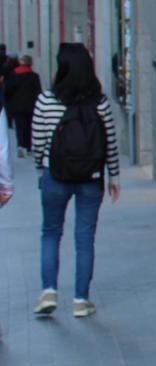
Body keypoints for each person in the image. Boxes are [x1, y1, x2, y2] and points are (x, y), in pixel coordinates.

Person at [30, 44, 120, 319]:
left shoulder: (46, 100)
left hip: (55, 175)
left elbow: (38, 141)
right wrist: (114, 176)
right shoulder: (100, 102)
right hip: (91, 178)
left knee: (51, 232)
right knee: (84, 238)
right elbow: (110, 142)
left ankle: (49, 291)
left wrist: (40, 170)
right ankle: (81, 299)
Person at [7, 54, 41, 155]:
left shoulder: (14, 75)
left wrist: (9, 102)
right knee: (29, 126)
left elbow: (8, 90)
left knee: (19, 126)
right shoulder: (34, 76)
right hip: (31, 105)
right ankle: (28, 146)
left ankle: (21, 146)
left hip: (17, 106)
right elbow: (38, 91)